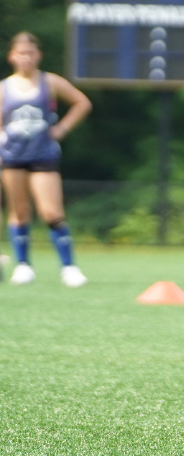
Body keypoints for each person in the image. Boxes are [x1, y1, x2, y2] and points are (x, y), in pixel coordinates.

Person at [1, 32, 92, 287]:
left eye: (30, 53)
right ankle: (23, 265)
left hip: (43, 154)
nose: (25, 58)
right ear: (12, 56)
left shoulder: (49, 82)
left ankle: (69, 267)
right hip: (13, 155)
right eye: (20, 53)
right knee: (19, 211)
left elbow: (81, 102)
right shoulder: (5, 88)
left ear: (38, 55)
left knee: (51, 211)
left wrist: (61, 129)